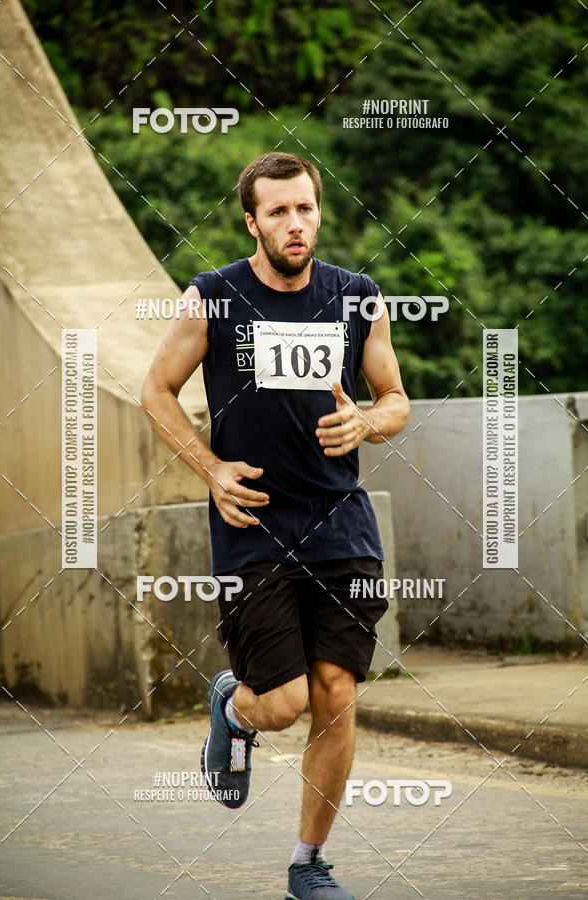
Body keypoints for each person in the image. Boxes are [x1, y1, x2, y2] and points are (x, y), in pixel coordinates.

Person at [141, 152, 410, 900]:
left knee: (335, 692)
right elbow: (156, 390)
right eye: (280, 212)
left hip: (341, 528)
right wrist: (211, 468)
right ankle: (233, 702)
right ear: (251, 220)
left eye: (306, 209)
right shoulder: (215, 296)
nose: (297, 224)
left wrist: (367, 420)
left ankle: (307, 865)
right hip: (254, 526)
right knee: (284, 704)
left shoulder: (357, 297)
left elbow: (394, 398)